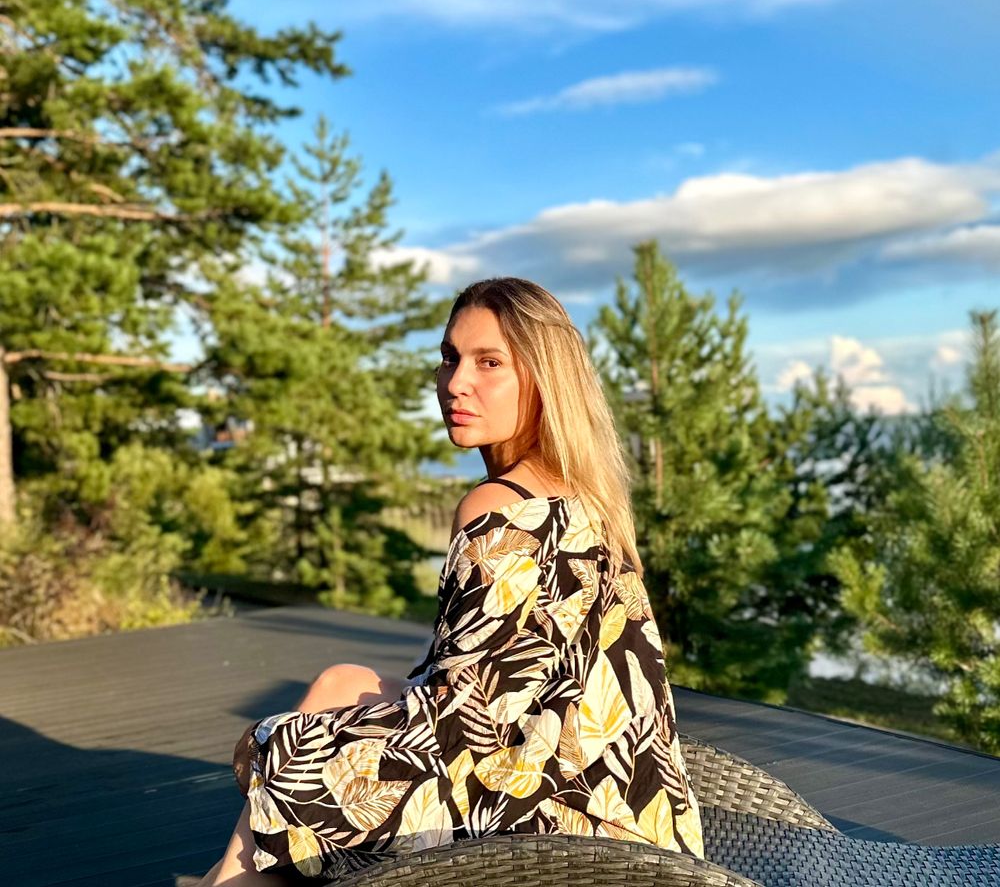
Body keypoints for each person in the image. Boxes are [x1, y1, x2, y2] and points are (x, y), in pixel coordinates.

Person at [197, 276, 703, 885]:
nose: (456, 383)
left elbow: (462, 724)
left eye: (489, 362)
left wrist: (269, 743)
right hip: (636, 814)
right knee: (342, 683)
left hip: (553, 831)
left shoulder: (498, 506)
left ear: (544, 379)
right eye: (449, 358)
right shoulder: (588, 498)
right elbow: (501, 689)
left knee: (288, 755)